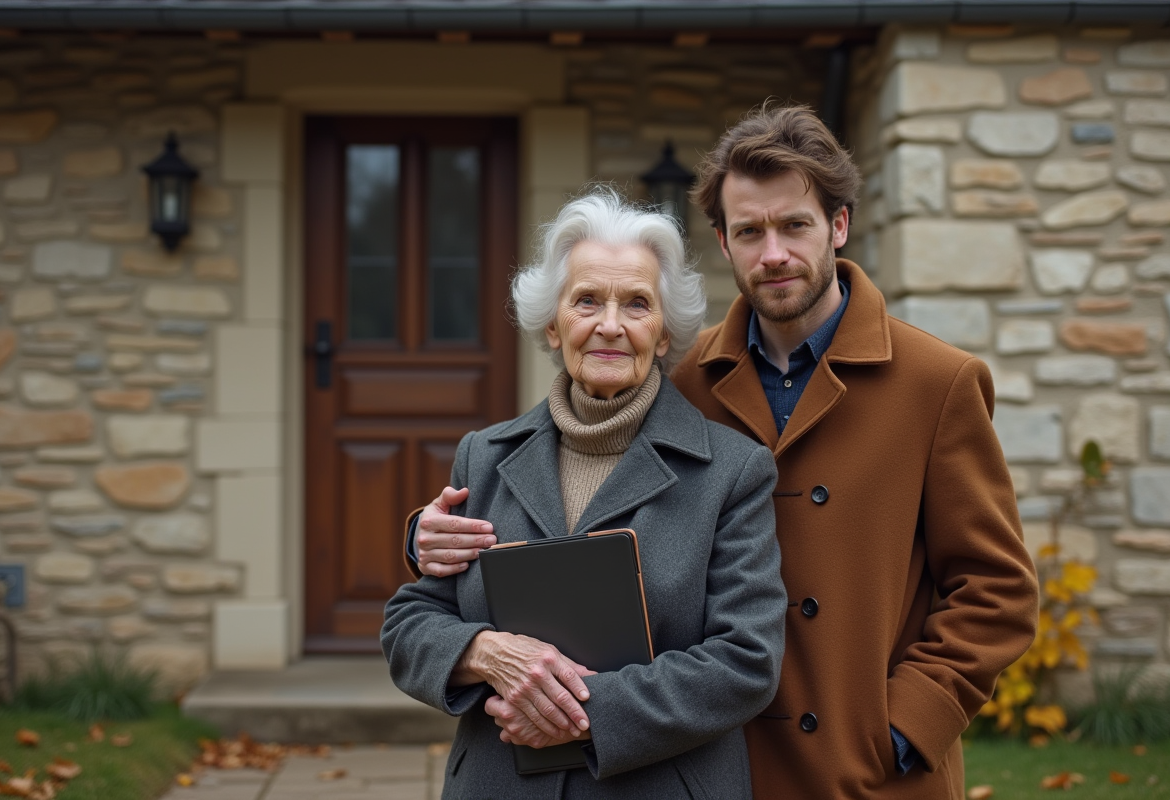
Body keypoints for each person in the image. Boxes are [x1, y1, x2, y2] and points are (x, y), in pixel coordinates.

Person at [405, 105, 1040, 799]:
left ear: (839, 225)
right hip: (705, 763)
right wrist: (424, 536)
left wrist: (906, 724)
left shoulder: (935, 383)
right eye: (749, 231)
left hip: (864, 769)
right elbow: (565, 489)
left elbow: (996, 588)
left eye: (794, 225)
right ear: (724, 241)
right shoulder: (683, 377)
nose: (773, 254)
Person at [381, 189, 787, 799]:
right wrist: (485, 652)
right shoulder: (483, 457)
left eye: (637, 304)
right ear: (552, 323)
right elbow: (410, 624)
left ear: (665, 330)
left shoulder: (733, 471)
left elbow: (746, 660)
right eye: (587, 300)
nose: (610, 325)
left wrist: (579, 711)